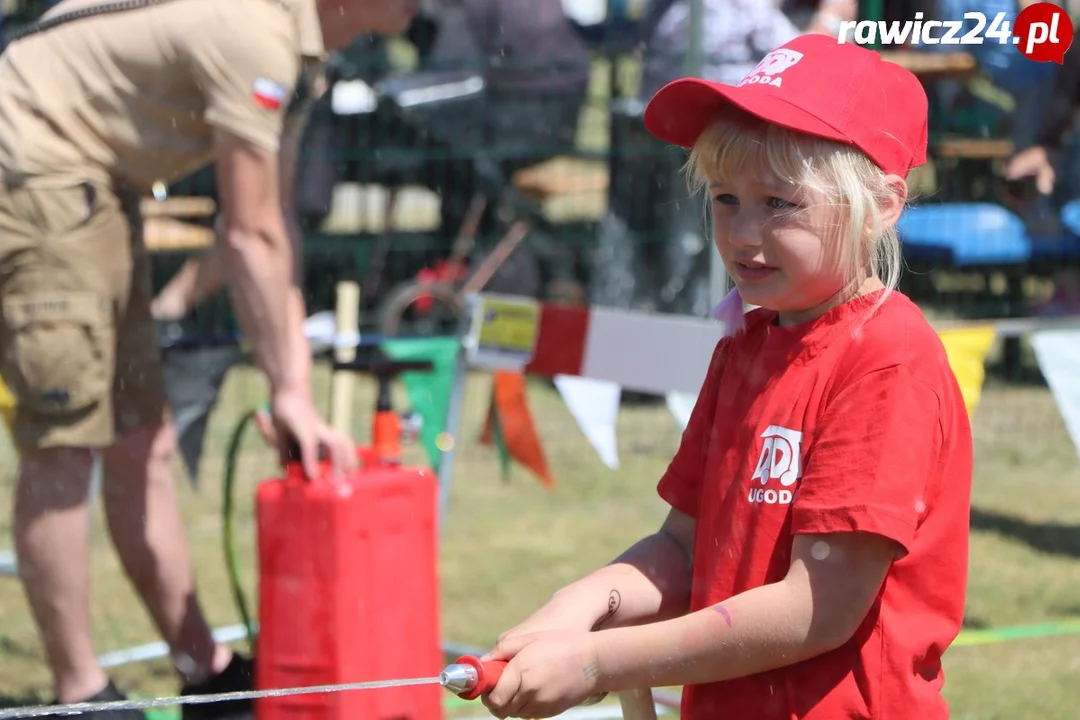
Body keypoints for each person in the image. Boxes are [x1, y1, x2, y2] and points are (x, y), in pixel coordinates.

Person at [476, 33, 974, 720]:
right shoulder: (744, 344)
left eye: (780, 204)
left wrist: (597, 662)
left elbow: (817, 607)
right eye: (726, 197)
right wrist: (579, 608)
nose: (742, 232)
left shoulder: (886, 360)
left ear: (883, 205)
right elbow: (684, 547)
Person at [0, 0, 416, 717]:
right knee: (64, 447)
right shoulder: (255, 34)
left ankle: (205, 668)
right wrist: (287, 387)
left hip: (95, 187)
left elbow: (269, 222)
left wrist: (295, 390)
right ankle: (77, 694)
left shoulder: (297, 55)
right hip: (35, 176)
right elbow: (251, 233)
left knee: (144, 441)